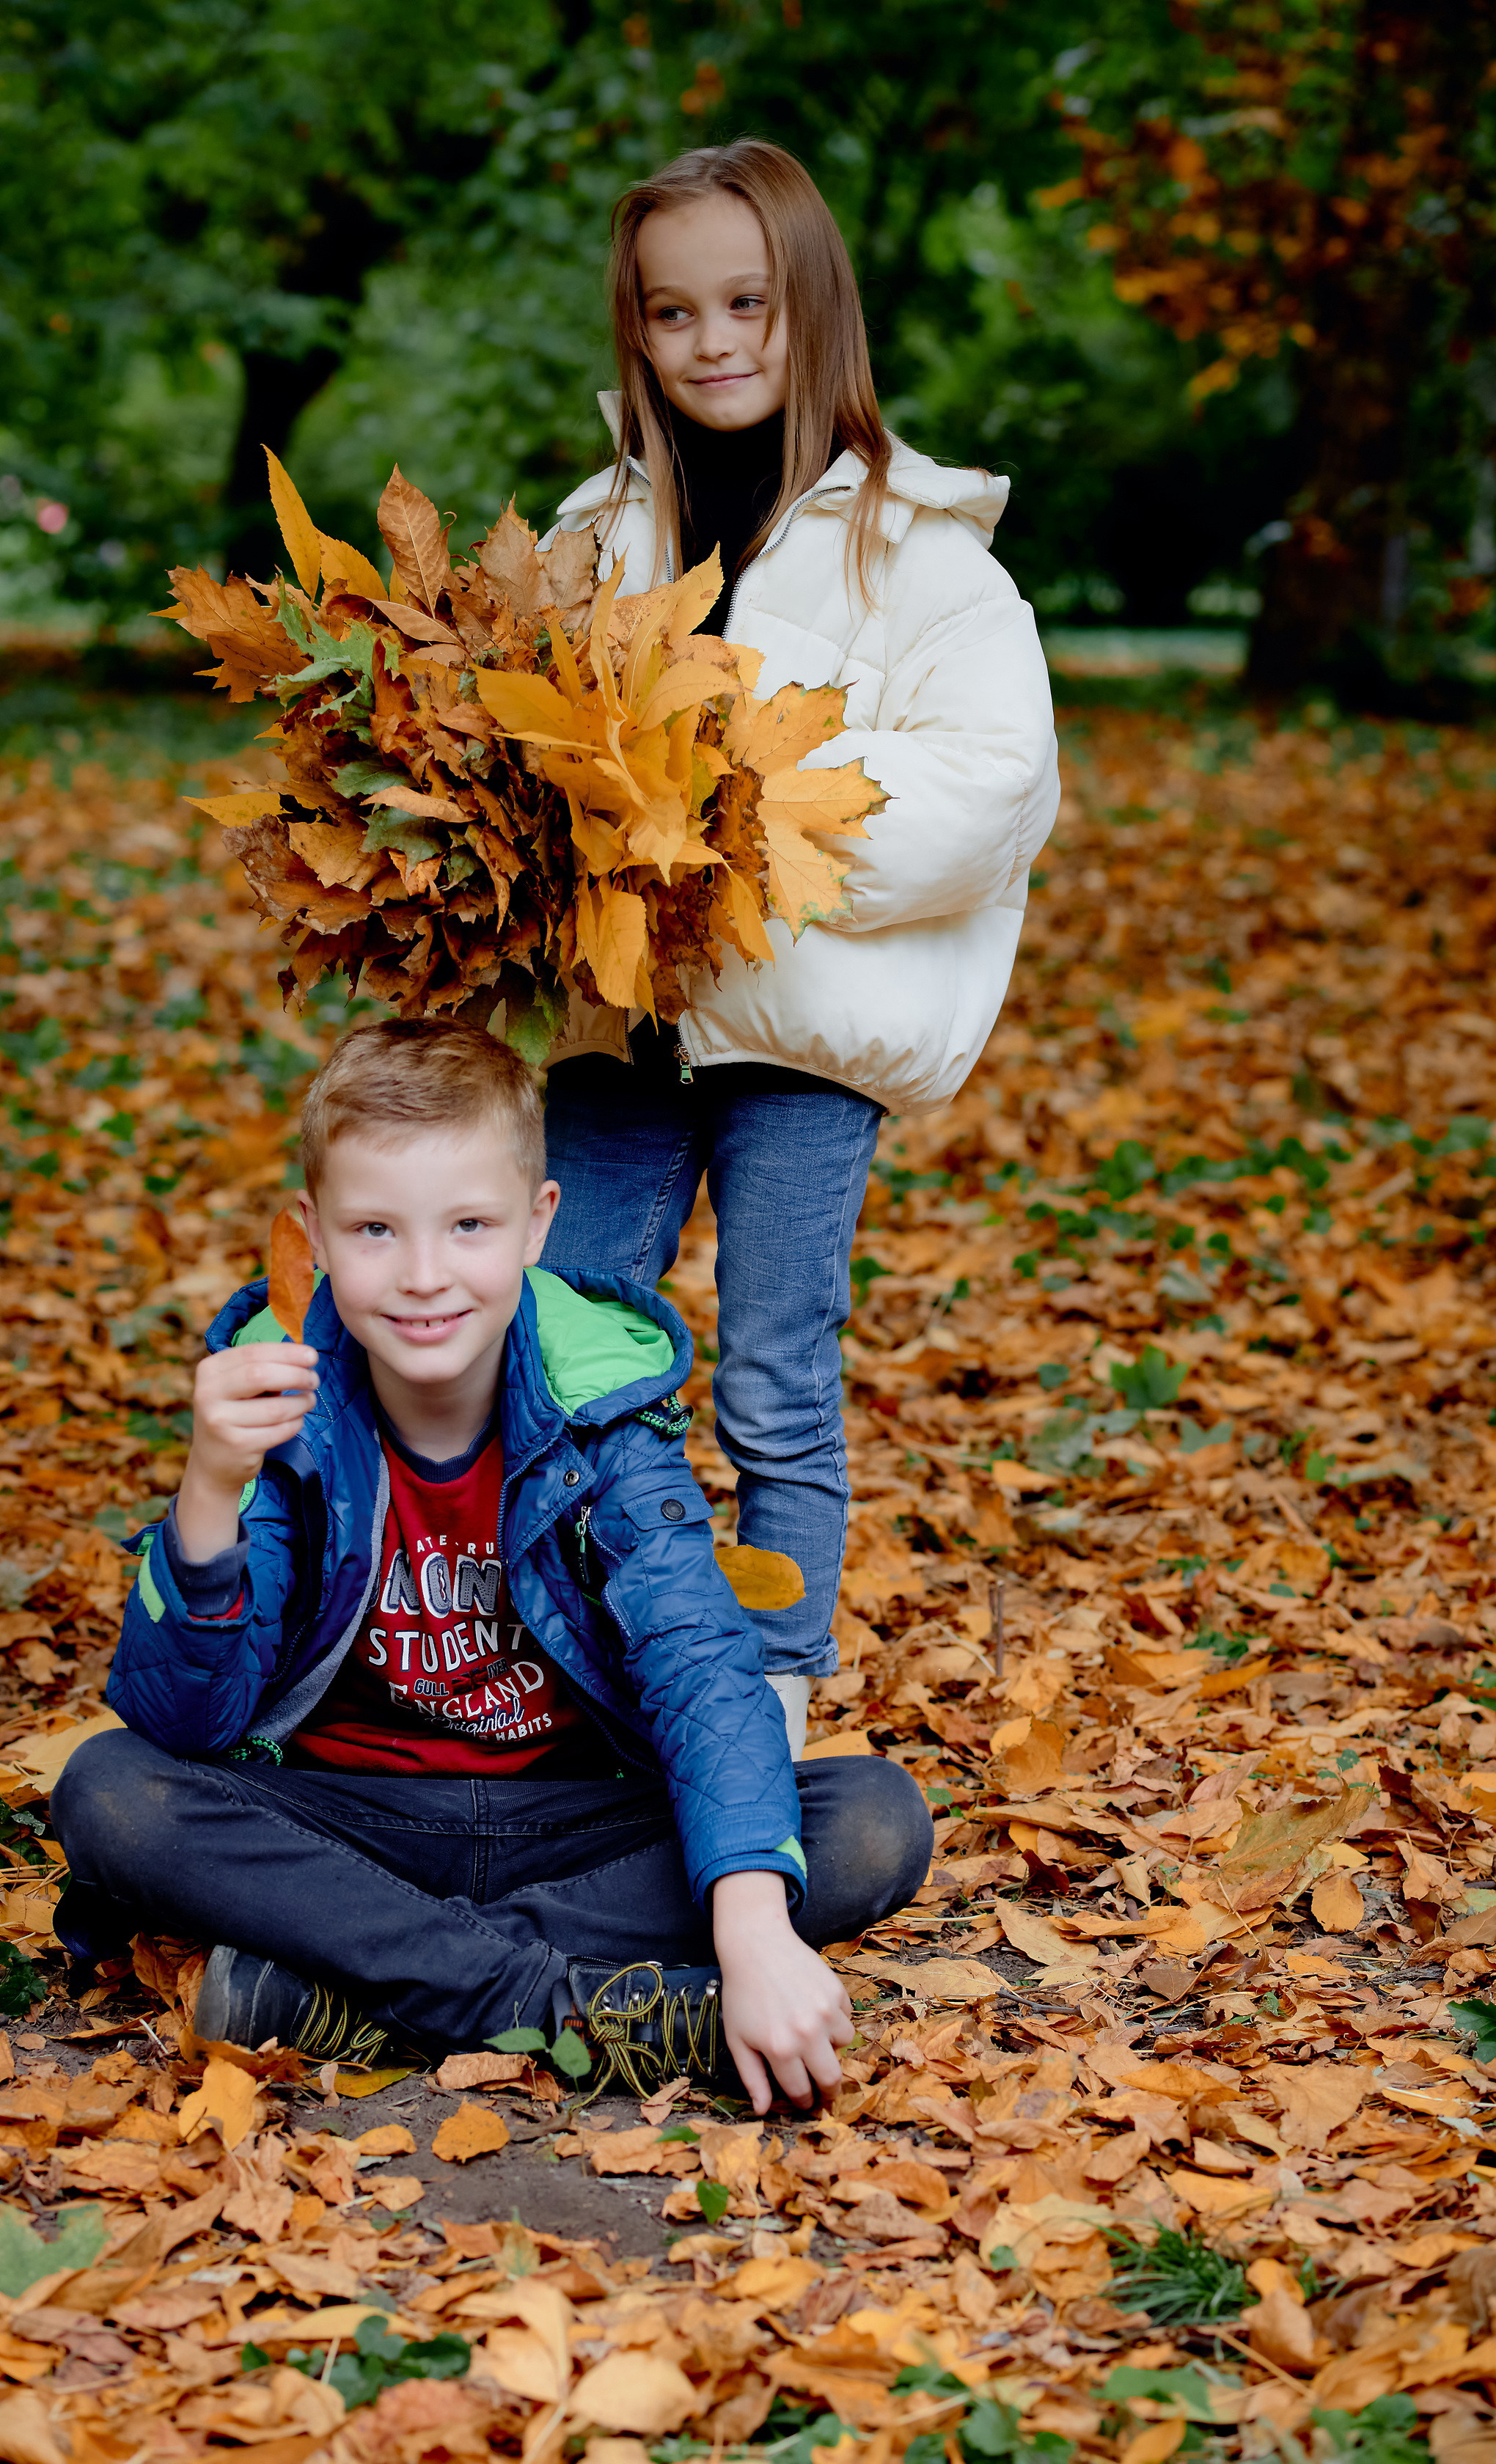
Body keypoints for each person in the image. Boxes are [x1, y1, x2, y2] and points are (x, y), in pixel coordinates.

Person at [50, 1020, 931, 2110]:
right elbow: (186, 1723)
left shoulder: (598, 1410)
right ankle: (560, 2008)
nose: (425, 1277)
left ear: (536, 1224)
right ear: (314, 1236)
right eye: (376, 1229)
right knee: (110, 1793)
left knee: (870, 1821)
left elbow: (700, 1664)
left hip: (565, 1826)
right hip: (350, 1822)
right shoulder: (285, 1405)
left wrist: (749, 1928)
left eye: (469, 1225)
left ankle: (352, 1998)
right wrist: (207, 1492)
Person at [540, 141, 1060, 1756]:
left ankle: (765, 1691)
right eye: (670, 310)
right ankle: (591, 1640)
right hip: (620, 1019)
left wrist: (736, 818)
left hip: (802, 1035)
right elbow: (527, 745)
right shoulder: (591, 529)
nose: (710, 340)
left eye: (746, 302)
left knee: (773, 1363)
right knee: (567, 1318)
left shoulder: (918, 552)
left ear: (811, 304)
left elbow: (989, 794)